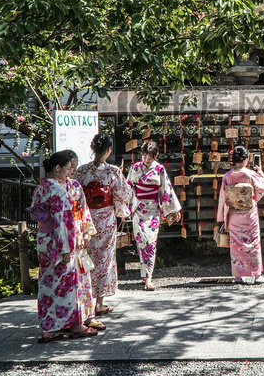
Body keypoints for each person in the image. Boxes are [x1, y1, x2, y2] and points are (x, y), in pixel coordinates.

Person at [30, 151, 97, 342]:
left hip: (44, 239)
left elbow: (37, 214)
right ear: (58, 168)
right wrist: (66, 249)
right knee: (67, 284)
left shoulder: (40, 189)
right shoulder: (58, 191)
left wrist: (85, 231)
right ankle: (74, 324)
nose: (71, 172)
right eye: (68, 168)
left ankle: (49, 328)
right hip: (62, 241)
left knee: (47, 283)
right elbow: (62, 221)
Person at [76, 133, 132, 318]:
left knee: (87, 257)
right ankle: (99, 303)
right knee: (104, 260)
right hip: (106, 219)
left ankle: (87, 301)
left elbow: (75, 196)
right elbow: (124, 194)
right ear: (109, 150)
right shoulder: (113, 171)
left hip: (86, 219)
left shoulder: (81, 172)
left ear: (92, 147)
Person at [127, 141, 182, 291]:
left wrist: (172, 210)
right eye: (144, 156)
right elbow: (128, 187)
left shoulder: (159, 169)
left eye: (150, 157)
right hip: (138, 208)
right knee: (141, 242)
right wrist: (126, 206)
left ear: (155, 156)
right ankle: (145, 275)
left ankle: (148, 277)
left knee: (150, 242)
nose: (146, 159)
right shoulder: (135, 168)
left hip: (152, 210)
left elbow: (166, 190)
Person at [216, 146, 264, 284]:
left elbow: (223, 197)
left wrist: (222, 217)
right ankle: (257, 275)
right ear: (246, 159)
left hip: (234, 215)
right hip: (249, 214)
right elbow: (262, 187)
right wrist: (260, 171)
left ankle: (238, 276)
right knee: (253, 243)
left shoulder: (227, 176)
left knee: (236, 244)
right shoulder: (250, 174)